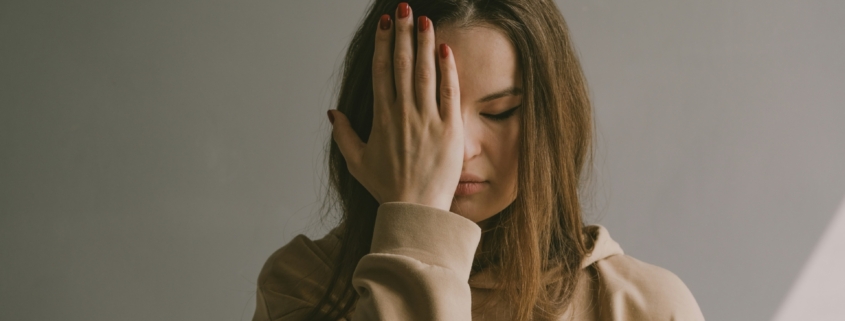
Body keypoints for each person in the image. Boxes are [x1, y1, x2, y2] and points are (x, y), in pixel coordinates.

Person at [253, 0, 704, 320]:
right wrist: (417, 229)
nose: (460, 148)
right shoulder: (302, 285)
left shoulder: (643, 307)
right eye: (426, 111)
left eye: (500, 112)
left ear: (552, 122)